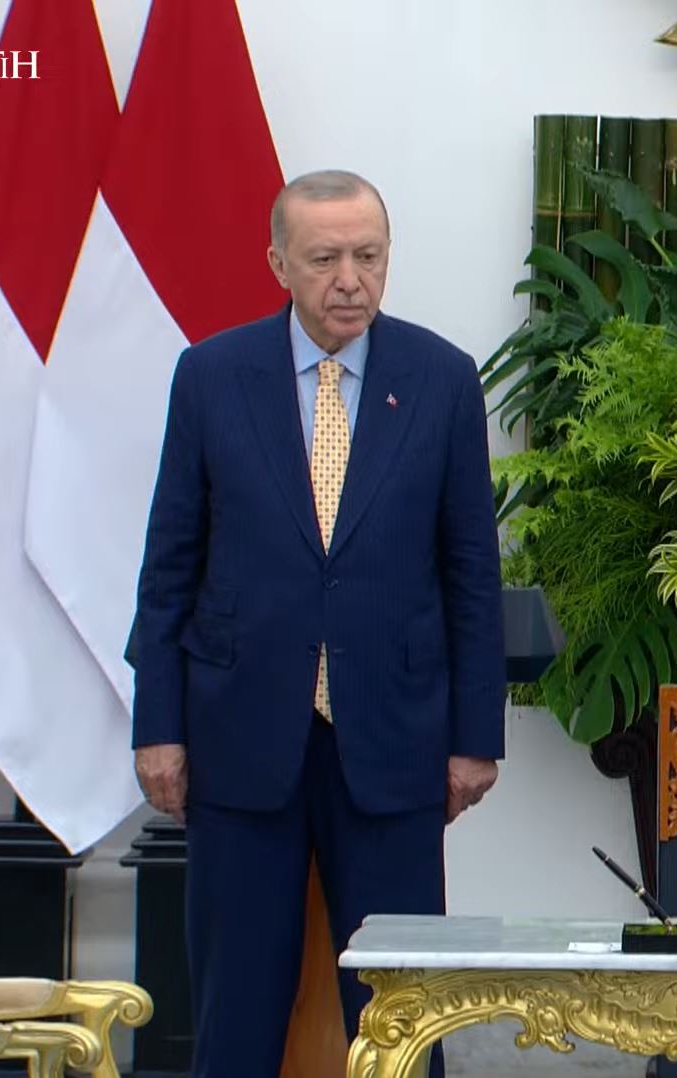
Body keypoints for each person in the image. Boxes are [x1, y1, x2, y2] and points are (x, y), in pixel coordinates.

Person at [127, 169, 504, 1076]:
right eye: (326, 258)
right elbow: (170, 564)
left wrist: (474, 739)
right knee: (236, 1005)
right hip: (239, 735)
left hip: (394, 739)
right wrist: (159, 728)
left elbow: (471, 576)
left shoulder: (442, 379)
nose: (350, 280)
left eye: (368, 257)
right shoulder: (212, 376)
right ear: (279, 263)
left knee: (402, 1009)